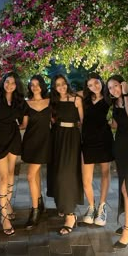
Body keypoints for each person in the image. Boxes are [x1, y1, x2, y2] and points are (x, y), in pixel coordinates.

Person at [105, 74, 128, 249]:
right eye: (110, 88)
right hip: (120, 148)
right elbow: (115, 125)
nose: (113, 90)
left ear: (123, 84)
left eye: (115, 86)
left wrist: (126, 94)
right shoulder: (114, 104)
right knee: (124, 188)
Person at [0, 71, 26, 236]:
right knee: (3, 176)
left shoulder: (19, 100)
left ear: (16, 85)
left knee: (11, 173)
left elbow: (24, 122)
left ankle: (8, 203)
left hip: (13, 136)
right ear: (3, 82)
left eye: (13, 82)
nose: (9, 85)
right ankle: (4, 215)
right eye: (7, 81)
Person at [47, 74, 84, 235]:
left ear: (66, 84)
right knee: (56, 173)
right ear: (54, 87)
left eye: (63, 84)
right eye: (57, 85)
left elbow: (82, 122)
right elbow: (50, 121)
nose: (61, 87)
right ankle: (62, 204)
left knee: (67, 174)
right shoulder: (53, 102)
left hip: (72, 138)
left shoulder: (76, 99)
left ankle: (70, 215)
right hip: (57, 137)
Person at [79, 72, 114, 226]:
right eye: (90, 85)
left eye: (96, 83)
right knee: (86, 179)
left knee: (106, 173)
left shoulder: (109, 99)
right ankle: (91, 207)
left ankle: (102, 207)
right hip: (87, 141)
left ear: (101, 81)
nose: (94, 86)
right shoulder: (84, 99)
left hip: (104, 140)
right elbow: (69, 93)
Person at [21, 75, 51, 230]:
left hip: (45, 143)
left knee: (30, 175)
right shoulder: (26, 104)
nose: (34, 87)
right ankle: (39, 202)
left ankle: (35, 211)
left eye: (37, 84)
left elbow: (55, 121)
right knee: (35, 174)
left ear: (42, 86)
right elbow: (24, 125)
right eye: (32, 84)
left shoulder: (50, 102)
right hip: (31, 142)